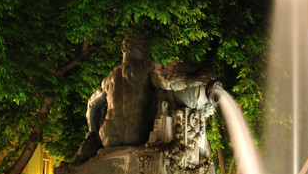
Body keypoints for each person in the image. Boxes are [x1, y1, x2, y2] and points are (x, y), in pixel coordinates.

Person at [73, 32, 219, 165]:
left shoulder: (109, 79)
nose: (146, 50)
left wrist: (92, 131)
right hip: (137, 134)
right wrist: (196, 79)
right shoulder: (148, 68)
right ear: (134, 48)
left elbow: (92, 104)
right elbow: (168, 83)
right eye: (144, 46)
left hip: (108, 138)